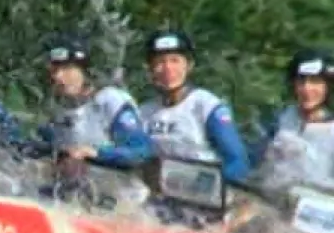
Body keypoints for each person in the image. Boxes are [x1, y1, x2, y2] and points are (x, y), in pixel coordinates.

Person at [138, 29, 251, 183]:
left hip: (200, 196)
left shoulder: (206, 106)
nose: (168, 69)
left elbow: (238, 162)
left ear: (189, 65)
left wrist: (206, 183)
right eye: (159, 62)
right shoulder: (144, 112)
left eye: (175, 60)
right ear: (150, 69)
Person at [34, 33, 155, 169]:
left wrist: (97, 153)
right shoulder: (54, 108)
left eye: (67, 69)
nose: (59, 77)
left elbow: (140, 151)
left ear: (84, 71)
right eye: (54, 70)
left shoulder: (111, 100)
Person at [249, 48, 334, 191]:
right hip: (268, 204)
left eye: (315, 81)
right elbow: (253, 164)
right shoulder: (277, 120)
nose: (307, 89)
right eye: (301, 81)